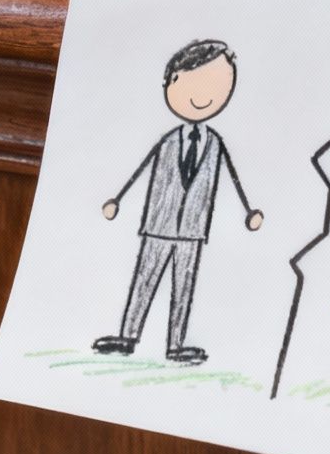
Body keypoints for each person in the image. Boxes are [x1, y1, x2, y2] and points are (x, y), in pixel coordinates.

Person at [92, 40, 263, 365]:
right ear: (171, 84)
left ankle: (176, 344)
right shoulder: (168, 140)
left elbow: (234, 178)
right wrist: (118, 199)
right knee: (144, 280)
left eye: (216, 84)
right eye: (192, 83)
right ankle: (127, 336)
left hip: (192, 229)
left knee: (183, 288)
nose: (203, 95)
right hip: (158, 224)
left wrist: (248, 211)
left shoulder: (215, 143)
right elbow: (140, 169)